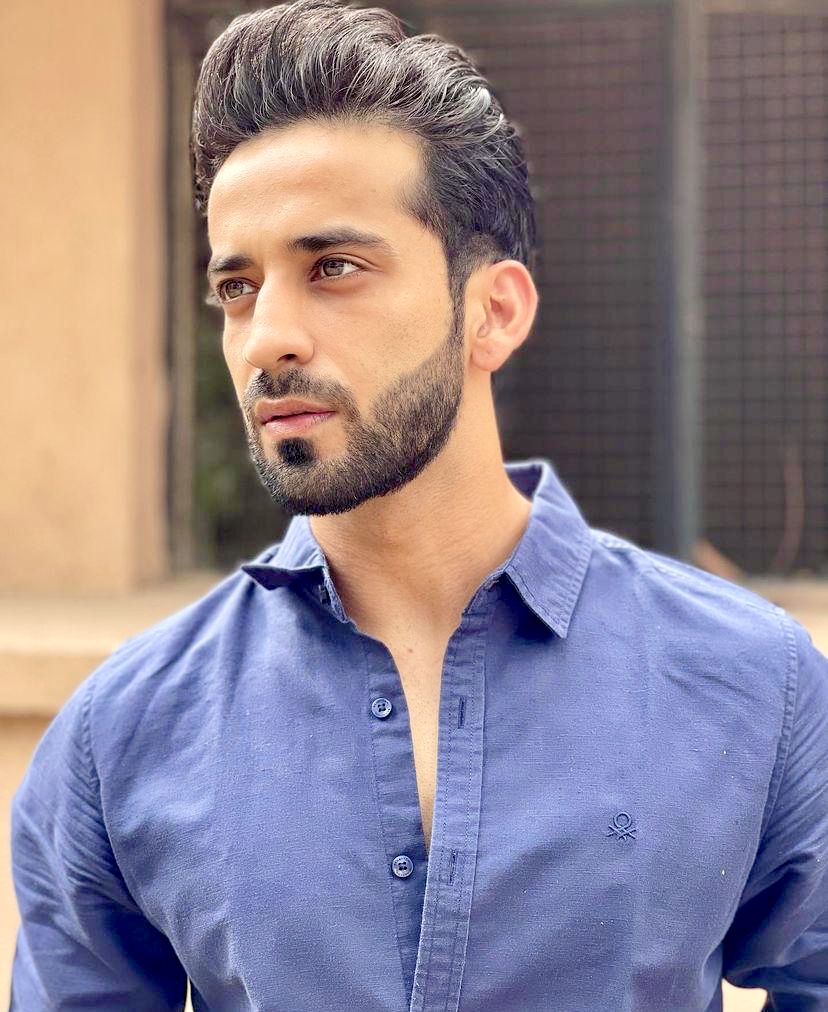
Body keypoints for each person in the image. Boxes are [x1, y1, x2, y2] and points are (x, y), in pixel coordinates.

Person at [9, 1, 828, 1008]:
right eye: (238, 287)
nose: (266, 337)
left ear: (493, 311)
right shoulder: (124, 732)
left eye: (334, 268)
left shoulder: (754, 683)